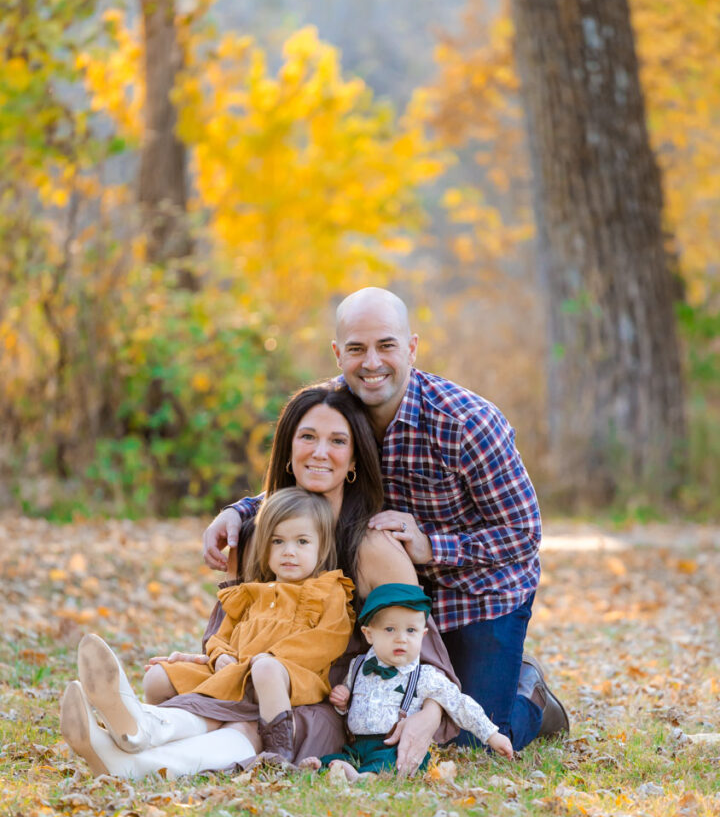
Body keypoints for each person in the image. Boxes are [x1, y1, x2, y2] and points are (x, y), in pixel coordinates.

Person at [203, 288, 569, 755]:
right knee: (373, 713)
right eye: (356, 348)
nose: (371, 362)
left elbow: (523, 535)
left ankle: (528, 688)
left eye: (386, 346)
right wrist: (239, 511)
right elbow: (314, 474)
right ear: (338, 353)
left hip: (479, 592)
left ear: (412, 348)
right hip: (389, 584)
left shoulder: (467, 423)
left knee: (471, 740)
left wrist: (432, 547)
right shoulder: (338, 407)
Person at [142, 384, 457, 777]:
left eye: (337, 441)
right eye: (307, 437)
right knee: (189, 693)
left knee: (245, 723)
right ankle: (132, 738)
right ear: (288, 452)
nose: (320, 452)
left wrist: (427, 716)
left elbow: (422, 653)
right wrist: (211, 657)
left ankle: (141, 765)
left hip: (329, 702)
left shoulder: (375, 548)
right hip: (246, 682)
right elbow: (227, 628)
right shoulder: (256, 534)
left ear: (354, 458)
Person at [60, 488, 357, 776]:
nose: (288, 552)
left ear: (322, 548)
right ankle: (139, 726)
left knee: (264, 669)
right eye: (278, 542)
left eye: (302, 542)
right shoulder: (249, 593)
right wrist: (222, 655)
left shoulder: (328, 591)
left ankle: (137, 756)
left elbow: (327, 640)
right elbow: (222, 635)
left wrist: (266, 659)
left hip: (287, 679)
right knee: (159, 675)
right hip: (235, 674)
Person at [300, 583, 513, 782]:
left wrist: (492, 735)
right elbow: (353, 703)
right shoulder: (358, 666)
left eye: (411, 631)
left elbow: (459, 704)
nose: (401, 638)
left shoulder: (425, 675)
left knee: (389, 763)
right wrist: (342, 702)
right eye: (390, 629)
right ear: (369, 634)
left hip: (397, 745)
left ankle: (364, 778)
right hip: (358, 743)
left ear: (423, 635)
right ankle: (325, 767)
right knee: (340, 755)